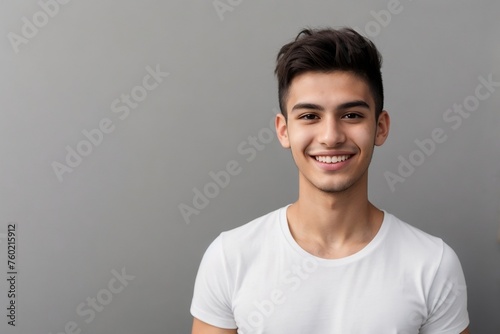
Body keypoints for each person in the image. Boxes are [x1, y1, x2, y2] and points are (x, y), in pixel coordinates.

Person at [190, 27, 470, 334]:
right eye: (310, 116)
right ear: (284, 130)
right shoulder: (230, 258)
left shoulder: (432, 265)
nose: (330, 137)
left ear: (380, 127)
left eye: (351, 115)